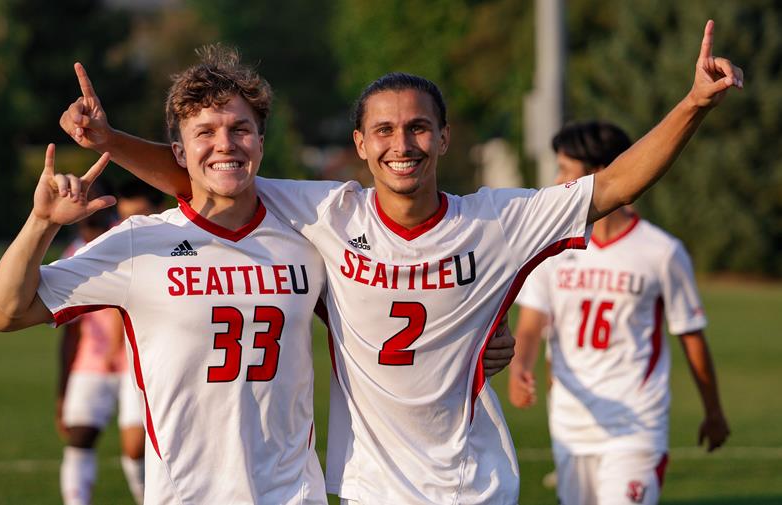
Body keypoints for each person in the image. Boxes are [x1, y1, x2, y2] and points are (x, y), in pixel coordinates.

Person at [60, 20, 741, 503]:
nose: (402, 143)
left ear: (443, 135)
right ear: (360, 143)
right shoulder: (326, 211)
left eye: (418, 126)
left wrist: (692, 104)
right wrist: (108, 139)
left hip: (475, 484)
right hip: (370, 486)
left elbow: (615, 184)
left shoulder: (497, 220)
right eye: (383, 129)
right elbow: (205, 177)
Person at [507, 121, 729, 505]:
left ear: (597, 174)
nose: (557, 180)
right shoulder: (552, 249)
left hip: (636, 429)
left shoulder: (661, 251)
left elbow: (691, 336)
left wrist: (713, 411)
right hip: (571, 429)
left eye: (565, 169)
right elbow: (529, 325)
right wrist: (520, 366)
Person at [56, 180, 157, 505]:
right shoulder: (72, 252)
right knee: (79, 437)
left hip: (134, 359)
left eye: (93, 198)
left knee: (134, 447)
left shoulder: (125, 239)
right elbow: (69, 328)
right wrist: (62, 386)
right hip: (92, 361)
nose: (86, 205)